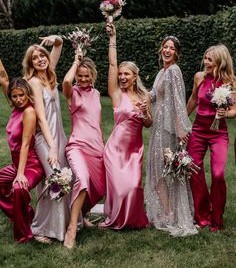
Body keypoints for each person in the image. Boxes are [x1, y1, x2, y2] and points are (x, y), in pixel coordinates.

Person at [99, 22, 152, 230]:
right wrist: (113, 38)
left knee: (132, 187)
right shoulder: (117, 94)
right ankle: (114, 218)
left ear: (135, 76)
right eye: (120, 74)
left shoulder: (144, 96)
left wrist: (146, 111)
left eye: (126, 74)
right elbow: (112, 65)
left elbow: (148, 124)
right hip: (115, 149)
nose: (122, 77)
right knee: (119, 189)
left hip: (134, 150)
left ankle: (133, 219)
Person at [145, 36, 198, 237]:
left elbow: (177, 101)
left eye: (171, 48)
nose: (167, 50)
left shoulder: (174, 71)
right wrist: (137, 94)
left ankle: (173, 214)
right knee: (157, 169)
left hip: (168, 130)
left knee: (166, 170)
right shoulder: (161, 71)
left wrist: (181, 130)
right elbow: (153, 95)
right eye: (165, 47)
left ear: (177, 53)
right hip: (157, 125)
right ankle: (168, 212)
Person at [22, 35, 70, 243]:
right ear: (30, 63)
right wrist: (51, 148)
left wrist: (56, 39)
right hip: (45, 138)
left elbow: (59, 45)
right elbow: (41, 118)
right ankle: (41, 228)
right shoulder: (33, 82)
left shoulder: (50, 76)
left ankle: (62, 225)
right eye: (35, 58)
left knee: (65, 180)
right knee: (54, 181)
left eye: (42, 55)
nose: (41, 59)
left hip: (59, 135)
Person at [186, 44, 236, 232]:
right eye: (205, 58)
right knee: (194, 170)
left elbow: (234, 110)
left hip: (218, 133)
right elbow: (193, 100)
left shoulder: (230, 81)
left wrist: (226, 114)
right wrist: (182, 121)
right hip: (198, 130)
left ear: (220, 61)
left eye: (210, 59)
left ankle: (217, 217)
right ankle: (202, 215)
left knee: (218, 174)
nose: (206, 62)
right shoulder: (199, 77)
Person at [62, 49, 105, 249]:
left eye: (87, 75)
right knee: (82, 180)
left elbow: (96, 122)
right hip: (77, 145)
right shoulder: (73, 93)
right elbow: (66, 82)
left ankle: (81, 216)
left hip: (96, 147)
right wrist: (76, 61)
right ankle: (72, 229)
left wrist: (103, 145)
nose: (83, 79)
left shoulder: (96, 94)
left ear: (93, 75)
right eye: (80, 75)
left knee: (100, 188)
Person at [0, 77, 44, 242]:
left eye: (21, 95)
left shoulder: (29, 112)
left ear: (28, 94)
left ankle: (24, 235)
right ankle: (23, 213)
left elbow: (25, 144)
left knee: (19, 189)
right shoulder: (16, 109)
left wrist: (20, 174)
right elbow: (3, 76)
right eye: (14, 96)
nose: (18, 99)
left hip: (31, 166)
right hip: (17, 163)